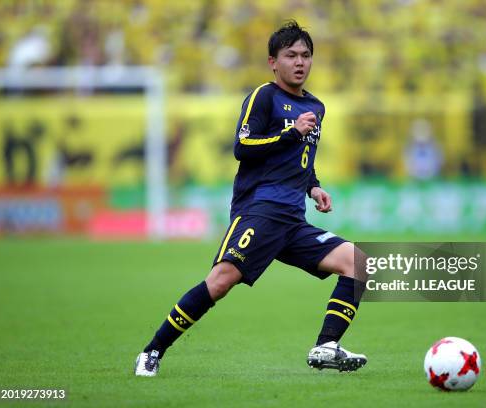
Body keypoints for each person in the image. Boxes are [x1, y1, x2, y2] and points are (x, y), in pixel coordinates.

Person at [135, 20, 367, 377]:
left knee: (358, 262)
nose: (299, 62)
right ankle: (152, 351)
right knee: (220, 282)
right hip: (259, 211)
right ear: (273, 62)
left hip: (293, 219)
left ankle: (326, 345)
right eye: (290, 55)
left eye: (306, 55)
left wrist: (313, 187)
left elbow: (302, 160)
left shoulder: (316, 107)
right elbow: (243, 147)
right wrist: (290, 132)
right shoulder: (264, 96)